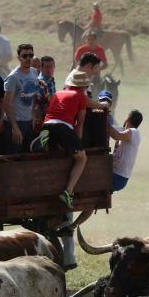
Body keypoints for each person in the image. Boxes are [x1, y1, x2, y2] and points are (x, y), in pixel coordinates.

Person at [29, 72, 104, 208]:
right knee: (82, 159)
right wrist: (78, 143)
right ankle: (68, 192)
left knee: (56, 151)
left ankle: (46, 138)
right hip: (63, 127)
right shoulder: (81, 96)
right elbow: (79, 123)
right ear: (83, 87)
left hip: (48, 124)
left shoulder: (58, 93)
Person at [1, 44, 39, 154]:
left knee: (28, 156)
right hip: (15, 122)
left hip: (28, 122)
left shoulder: (34, 72)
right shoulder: (14, 77)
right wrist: (14, 126)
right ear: (19, 58)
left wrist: (33, 115)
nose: (28, 58)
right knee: (13, 157)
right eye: (25, 56)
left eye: (30, 55)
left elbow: (33, 96)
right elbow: (6, 103)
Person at [35, 55, 56, 126]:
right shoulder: (40, 83)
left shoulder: (51, 80)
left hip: (49, 118)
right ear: (41, 68)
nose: (49, 69)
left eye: (51, 67)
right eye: (47, 67)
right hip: (41, 121)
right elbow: (41, 106)